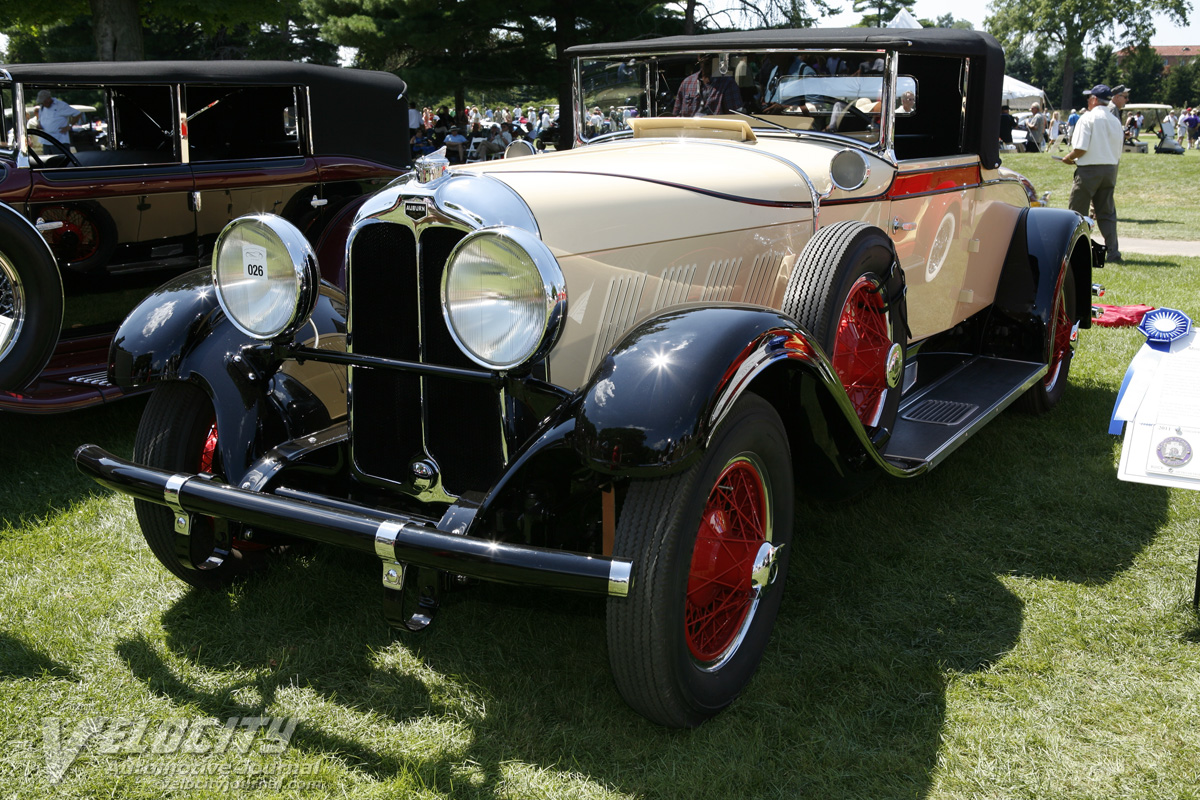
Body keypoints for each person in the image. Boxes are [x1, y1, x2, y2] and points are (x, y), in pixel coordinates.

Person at [1062, 85, 1124, 263]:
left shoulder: (1087, 118)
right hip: (1110, 168)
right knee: (1107, 212)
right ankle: (1113, 252)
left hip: (1089, 169)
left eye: (1090, 98)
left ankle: (1075, 251)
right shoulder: (1114, 120)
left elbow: (1081, 148)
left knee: (1077, 211)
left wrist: (1069, 157)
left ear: (1094, 99)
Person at [673, 56, 742, 117]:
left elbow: (735, 116)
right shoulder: (687, 83)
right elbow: (676, 116)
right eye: (703, 55)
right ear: (699, 58)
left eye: (711, 55)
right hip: (689, 130)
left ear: (717, 57)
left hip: (716, 130)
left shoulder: (728, 83)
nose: (706, 58)